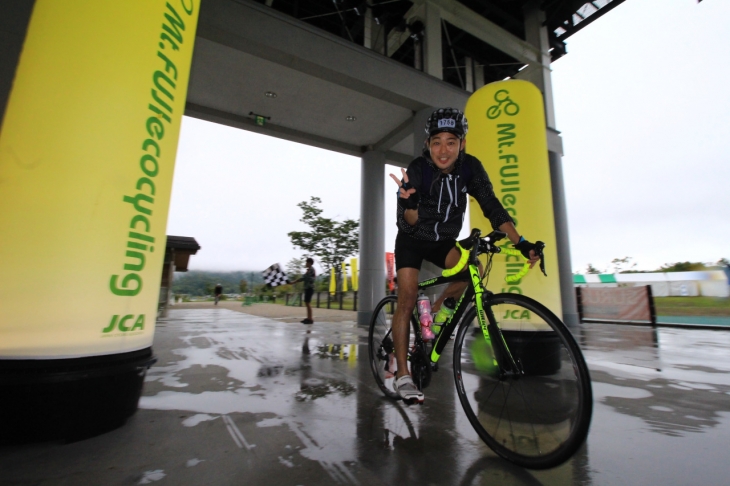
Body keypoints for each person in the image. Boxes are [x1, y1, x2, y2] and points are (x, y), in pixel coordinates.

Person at [388, 107, 541, 404]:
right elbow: (407, 221)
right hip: (412, 239)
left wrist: (521, 242)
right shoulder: (418, 169)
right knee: (406, 298)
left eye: (451, 142)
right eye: (436, 142)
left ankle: (436, 314)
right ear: (427, 145)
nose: (443, 150)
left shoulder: (470, 167)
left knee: (476, 269)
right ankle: (402, 376)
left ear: (462, 144)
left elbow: (491, 206)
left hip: (442, 240)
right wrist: (411, 204)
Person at [292, 258, 316, 324]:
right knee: (306, 303)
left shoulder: (311, 269)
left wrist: (295, 281)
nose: (306, 263)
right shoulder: (308, 270)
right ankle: (308, 318)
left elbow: (308, 278)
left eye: (307, 262)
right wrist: (295, 281)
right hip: (307, 288)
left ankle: (310, 319)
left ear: (310, 263)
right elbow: (303, 278)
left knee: (308, 303)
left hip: (310, 288)